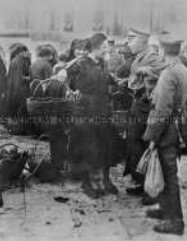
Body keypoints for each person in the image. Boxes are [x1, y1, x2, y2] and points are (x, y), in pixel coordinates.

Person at [143, 35, 187, 235]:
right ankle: (165, 210)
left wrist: (153, 137)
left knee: (170, 176)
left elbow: (162, 110)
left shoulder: (168, 74)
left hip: (167, 131)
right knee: (167, 171)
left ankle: (175, 221)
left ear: (163, 51)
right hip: (179, 126)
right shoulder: (184, 70)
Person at [67, 33, 119, 198]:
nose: (106, 50)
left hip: (103, 110)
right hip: (85, 113)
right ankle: (86, 183)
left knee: (105, 146)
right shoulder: (79, 65)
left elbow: (105, 82)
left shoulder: (103, 63)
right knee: (88, 148)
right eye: (104, 47)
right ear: (96, 47)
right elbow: (70, 88)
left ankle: (106, 180)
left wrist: (115, 83)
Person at [122, 28, 163, 200]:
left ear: (142, 41)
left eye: (131, 39)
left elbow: (159, 78)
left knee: (143, 144)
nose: (128, 42)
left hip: (146, 107)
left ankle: (149, 186)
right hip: (138, 105)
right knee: (134, 142)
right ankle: (140, 182)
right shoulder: (140, 56)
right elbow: (137, 79)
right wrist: (127, 81)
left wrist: (141, 78)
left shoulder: (151, 56)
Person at [5, 43, 31, 135]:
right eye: (25, 51)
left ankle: (19, 129)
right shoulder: (18, 61)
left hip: (17, 89)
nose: (27, 53)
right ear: (20, 52)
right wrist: (29, 78)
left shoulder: (19, 60)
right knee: (20, 110)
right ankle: (19, 130)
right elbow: (18, 79)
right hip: (19, 90)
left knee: (19, 111)